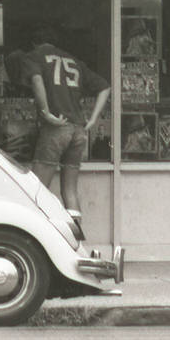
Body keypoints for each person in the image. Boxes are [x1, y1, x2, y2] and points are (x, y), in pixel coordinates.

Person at [22, 26, 110, 235]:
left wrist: (45, 112)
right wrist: (93, 119)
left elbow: (36, 80)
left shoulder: (33, 56)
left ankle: (38, 237)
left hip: (56, 128)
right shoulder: (73, 60)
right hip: (78, 130)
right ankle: (75, 237)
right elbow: (105, 87)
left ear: (35, 42)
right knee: (70, 190)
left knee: (37, 189)